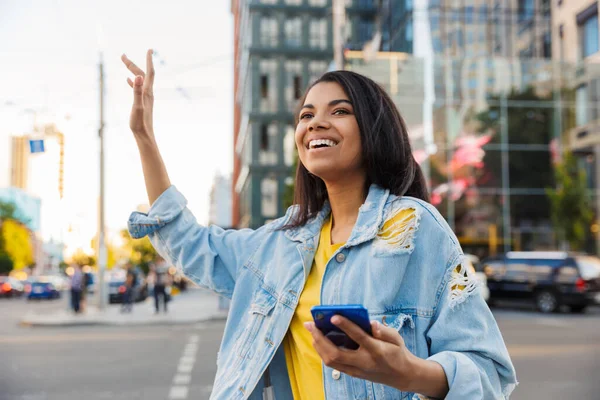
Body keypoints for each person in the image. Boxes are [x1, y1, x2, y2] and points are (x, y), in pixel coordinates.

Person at [123, 50, 517, 399]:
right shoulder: (278, 244)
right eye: (306, 115)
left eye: (340, 111)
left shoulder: (414, 227)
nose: (315, 123)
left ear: (373, 130)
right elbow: (188, 242)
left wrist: (409, 373)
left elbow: (489, 375)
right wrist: (144, 137)